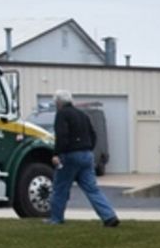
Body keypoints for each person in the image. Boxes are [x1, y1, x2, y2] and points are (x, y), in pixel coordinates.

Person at [48, 90, 120, 226]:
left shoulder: (62, 114)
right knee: (92, 189)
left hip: (70, 156)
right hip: (87, 155)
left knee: (60, 187)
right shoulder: (83, 115)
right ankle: (109, 216)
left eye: (55, 103)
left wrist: (56, 154)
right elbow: (93, 135)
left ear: (59, 103)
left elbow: (62, 136)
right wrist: (88, 149)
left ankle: (56, 219)